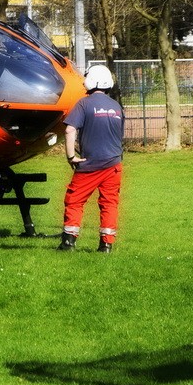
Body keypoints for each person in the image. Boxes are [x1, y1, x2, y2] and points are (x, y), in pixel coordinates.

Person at [58, 64, 124, 253]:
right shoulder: (116, 106)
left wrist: (71, 156)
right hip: (114, 164)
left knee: (74, 200)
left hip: (90, 165)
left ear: (89, 81)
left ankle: (68, 242)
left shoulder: (84, 103)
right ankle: (106, 244)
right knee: (109, 203)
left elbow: (70, 129)